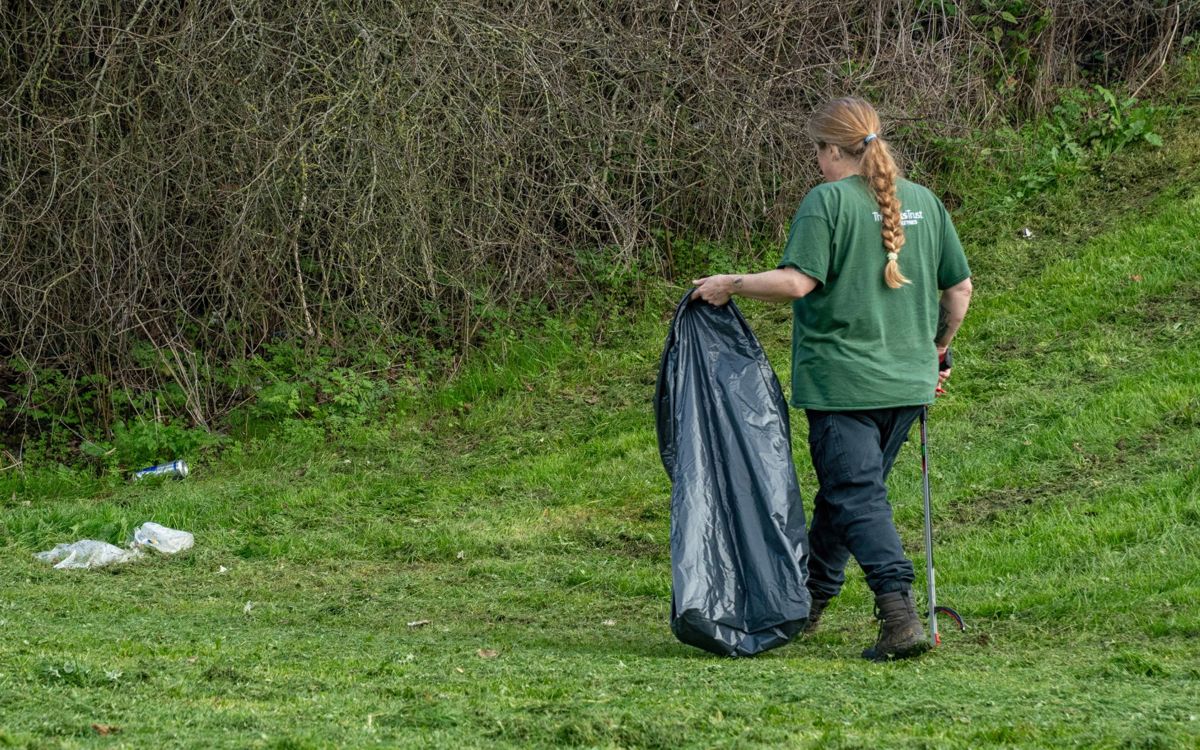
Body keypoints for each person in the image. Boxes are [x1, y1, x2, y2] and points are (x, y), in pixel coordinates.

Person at [690, 97, 973, 661]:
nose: (816, 164)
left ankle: (898, 616)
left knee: (855, 495)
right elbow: (959, 292)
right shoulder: (924, 201)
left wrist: (730, 282)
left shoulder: (827, 202)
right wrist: (937, 355)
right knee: (847, 497)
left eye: (817, 152)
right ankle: (810, 598)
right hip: (907, 384)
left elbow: (797, 283)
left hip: (844, 384)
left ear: (832, 150)